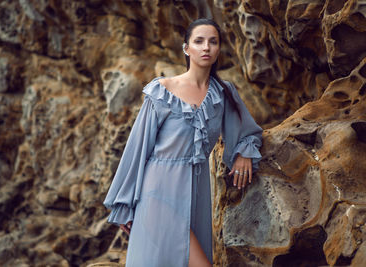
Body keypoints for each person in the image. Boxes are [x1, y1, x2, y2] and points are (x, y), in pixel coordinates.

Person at [103, 18, 263, 267]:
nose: (206, 47)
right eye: (198, 41)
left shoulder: (224, 93)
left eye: (213, 42)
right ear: (186, 48)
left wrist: (243, 153)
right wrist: (125, 201)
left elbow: (247, 132)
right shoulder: (163, 90)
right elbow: (137, 148)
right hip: (158, 192)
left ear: (219, 49)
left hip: (197, 193)